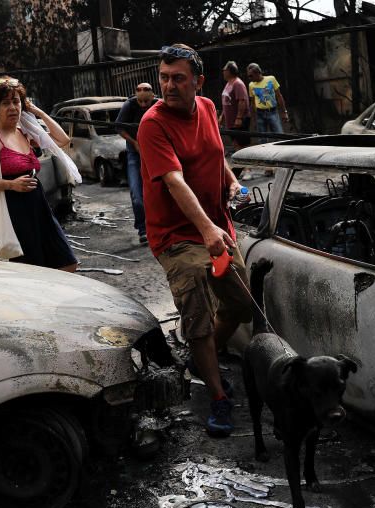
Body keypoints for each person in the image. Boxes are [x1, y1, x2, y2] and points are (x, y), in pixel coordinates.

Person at [137, 43, 254, 437]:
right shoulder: (152, 123)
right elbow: (173, 180)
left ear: (198, 81)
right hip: (177, 236)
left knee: (240, 303)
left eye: (178, 78)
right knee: (198, 316)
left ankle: (200, 358)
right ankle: (218, 396)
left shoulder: (206, 107)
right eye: (164, 77)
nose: (168, 86)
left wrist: (232, 180)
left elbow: (214, 153)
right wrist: (206, 229)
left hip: (217, 226)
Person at [0, 76, 79, 271]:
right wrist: (11, 185)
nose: (12, 108)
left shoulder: (24, 132)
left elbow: (62, 139)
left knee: (67, 263)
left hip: (39, 205)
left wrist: (36, 111)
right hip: (13, 209)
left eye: (16, 102)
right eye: (5, 103)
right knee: (31, 270)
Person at [115, 82, 157, 244]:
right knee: (137, 193)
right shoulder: (129, 105)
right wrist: (134, 143)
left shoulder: (158, 105)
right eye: (140, 101)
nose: (143, 104)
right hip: (135, 153)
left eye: (146, 101)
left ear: (152, 95)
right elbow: (119, 127)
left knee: (160, 191)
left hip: (155, 153)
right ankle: (143, 229)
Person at [247, 63, 289, 138]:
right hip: (260, 113)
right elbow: (252, 103)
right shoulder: (251, 85)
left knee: (279, 136)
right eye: (248, 76)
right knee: (262, 140)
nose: (249, 78)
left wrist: (284, 112)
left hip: (272, 111)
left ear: (257, 73)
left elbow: (279, 96)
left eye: (251, 75)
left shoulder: (271, 79)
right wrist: (254, 120)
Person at [220, 60, 251, 160]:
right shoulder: (229, 83)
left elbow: (242, 101)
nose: (223, 71)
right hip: (231, 120)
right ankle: (243, 167)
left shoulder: (238, 83)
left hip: (239, 120)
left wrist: (239, 118)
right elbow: (227, 101)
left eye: (224, 70)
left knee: (243, 144)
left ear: (229, 71)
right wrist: (222, 117)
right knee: (236, 143)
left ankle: (248, 169)